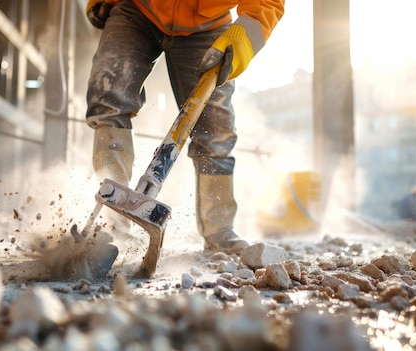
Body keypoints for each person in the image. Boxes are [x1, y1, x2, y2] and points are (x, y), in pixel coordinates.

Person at [84, 0, 285, 254]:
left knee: (215, 129)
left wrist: (241, 39)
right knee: (109, 97)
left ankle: (219, 230)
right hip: (137, 9)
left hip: (208, 23)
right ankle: (109, 223)